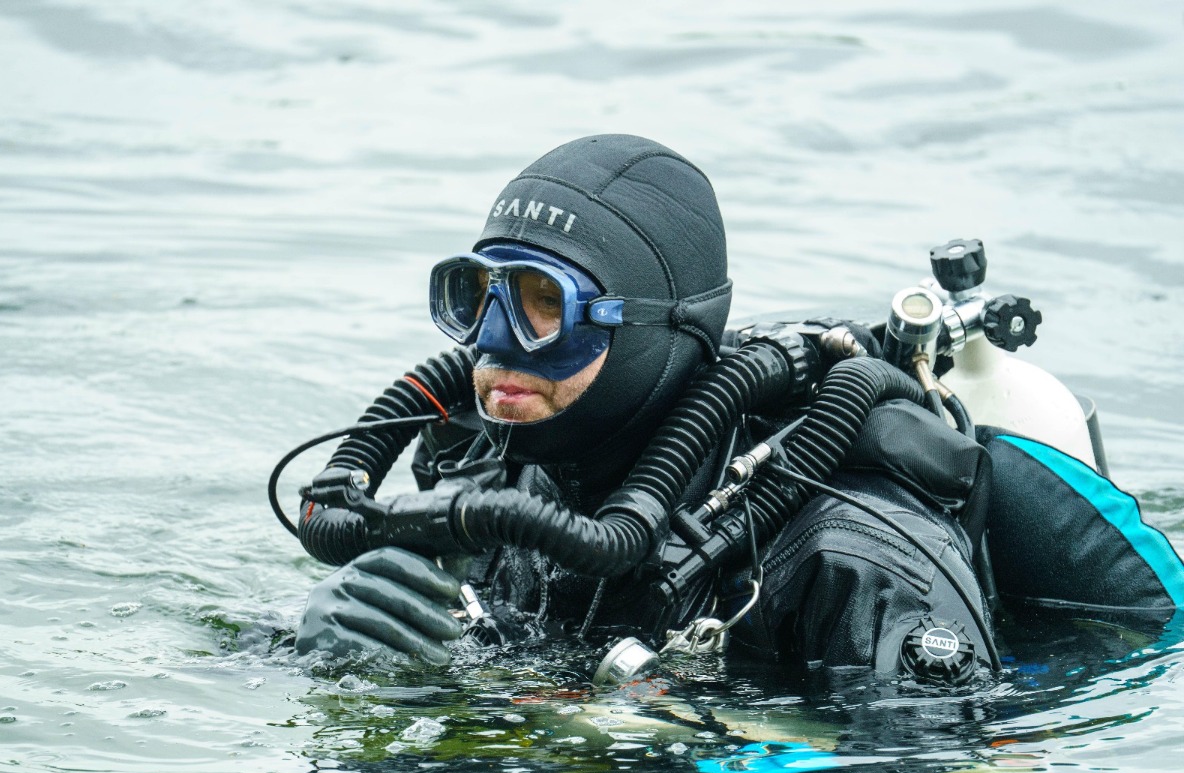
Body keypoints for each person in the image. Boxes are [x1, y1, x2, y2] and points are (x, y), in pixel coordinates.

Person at [288, 134, 1184, 684]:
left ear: (650, 329)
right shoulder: (485, 466)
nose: (494, 346)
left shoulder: (847, 560)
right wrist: (311, 645)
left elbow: (942, 764)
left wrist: (618, 740)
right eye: (475, 297)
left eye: (542, 304)